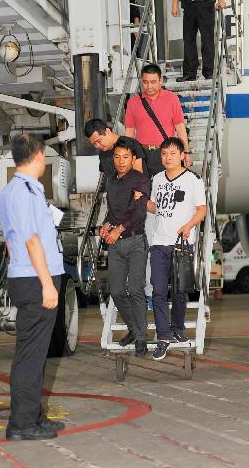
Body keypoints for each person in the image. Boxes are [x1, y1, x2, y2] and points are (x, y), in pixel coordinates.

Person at [0, 134, 65, 441]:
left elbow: (11, 241)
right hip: (36, 279)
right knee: (31, 355)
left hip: (28, 276)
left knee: (34, 353)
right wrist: (47, 284)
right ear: (38, 155)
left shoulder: (12, 190)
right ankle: (22, 424)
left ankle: (33, 416)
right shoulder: (24, 192)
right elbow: (30, 239)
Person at [146, 137, 206, 361]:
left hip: (181, 244)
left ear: (182, 155)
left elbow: (201, 210)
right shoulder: (157, 179)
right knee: (158, 291)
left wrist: (188, 226)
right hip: (159, 243)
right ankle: (163, 336)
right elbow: (155, 207)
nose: (167, 158)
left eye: (172, 153)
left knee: (180, 290)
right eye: (163, 153)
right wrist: (141, 201)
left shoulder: (193, 180)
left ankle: (178, 328)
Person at [100, 138, 151, 356]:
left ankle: (141, 338)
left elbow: (138, 212)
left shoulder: (141, 180)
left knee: (136, 289)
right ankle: (133, 327)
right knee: (117, 291)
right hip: (116, 244)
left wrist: (118, 229)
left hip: (136, 241)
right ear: (114, 159)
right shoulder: (111, 181)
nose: (121, 161)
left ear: (132, 159)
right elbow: (114, 210)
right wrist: (106, 224)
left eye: (126, 157)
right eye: (118, 157)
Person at [125, 63, 191, 176]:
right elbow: (129, 131)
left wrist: (185, 152)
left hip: (165, 153)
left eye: (153, 82)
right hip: (141, 153)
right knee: (143, 191)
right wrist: (127, 155)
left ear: (160, 80)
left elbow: (180, 127)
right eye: (145, 82)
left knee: (167, 189)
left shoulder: (172, 99)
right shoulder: (133, 102)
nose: (149, 86)